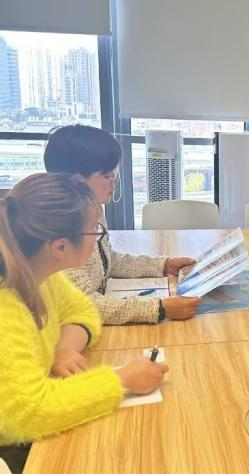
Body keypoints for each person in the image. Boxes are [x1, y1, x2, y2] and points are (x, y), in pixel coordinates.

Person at [0, 173, 169, 474]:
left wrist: (65, 347)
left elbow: (82, 311)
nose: (97, 237)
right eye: (94, 230)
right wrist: (121, 380)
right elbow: (29, 413)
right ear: (60, 246)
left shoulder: (31, 267)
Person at [44, 125, 201, 325]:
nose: (115, 180)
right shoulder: (57, 229)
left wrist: (163, 265)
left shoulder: (91, 208)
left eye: (115, 172)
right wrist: (159, 308)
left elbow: (108, 261)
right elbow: (81, 304)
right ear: (77, 180)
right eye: (107, 175)